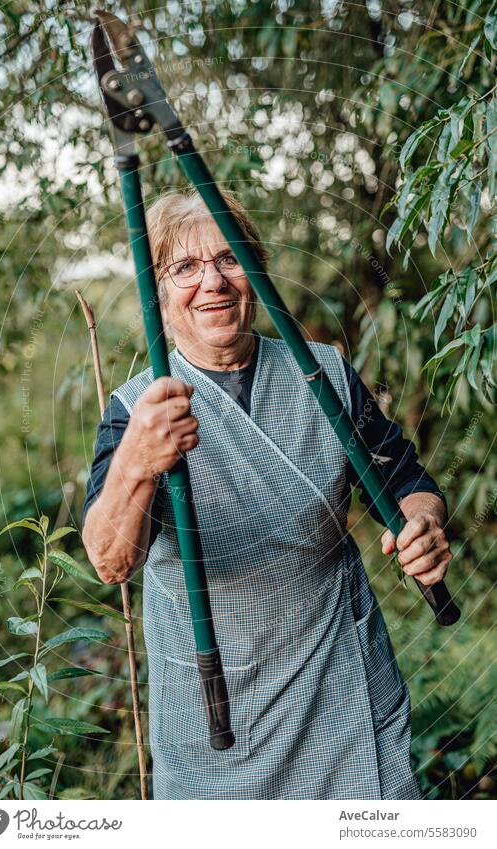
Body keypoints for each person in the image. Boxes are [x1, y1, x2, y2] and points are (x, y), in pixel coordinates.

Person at [81, 188, 452, 800]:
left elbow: (406, 481)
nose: (213, 283)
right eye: (185, 268)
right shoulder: (136, 411)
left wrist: (422, 522)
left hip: (341, 683)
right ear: (160, 295)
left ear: (255, 271)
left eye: (230, 259)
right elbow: (109, 560)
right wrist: (137, 464)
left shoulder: (323, 373)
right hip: (216, 714)